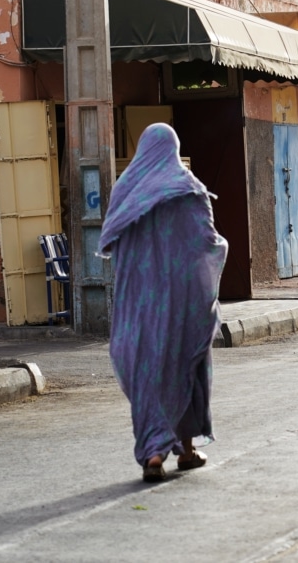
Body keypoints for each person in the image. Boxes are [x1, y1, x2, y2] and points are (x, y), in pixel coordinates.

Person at [99, 123, 228, 482]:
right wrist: (221, 252)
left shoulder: (125, 190)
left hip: (137, 309)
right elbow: (207, 241)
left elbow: (112, 244)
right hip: (182, 306)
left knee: (147, 376)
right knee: (185, 368)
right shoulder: (187, 189)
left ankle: (154, 454)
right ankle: (185, 450)